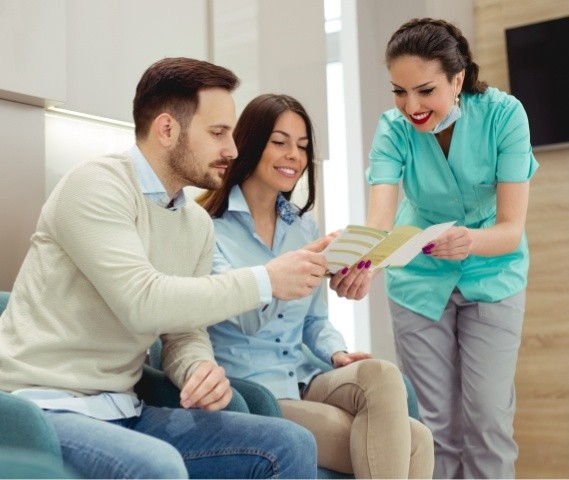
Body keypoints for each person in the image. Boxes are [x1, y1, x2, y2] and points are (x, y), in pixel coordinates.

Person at [0, 57, 330, 479]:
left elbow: (183, 331)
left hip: (125, 408)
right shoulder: (95, 187)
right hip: (43, 408)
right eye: (217, 133)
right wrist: (266, 279)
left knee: (289, 443)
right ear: (167, 129)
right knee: (157, 466)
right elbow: (143, 302)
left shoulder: (193, 223)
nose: (232, 149)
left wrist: (197, 368)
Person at [332, 18, 539, 479]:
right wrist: (364, 264)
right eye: (399, 92)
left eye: (425, 90)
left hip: (493, 273)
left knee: (487, 421)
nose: (411, 106)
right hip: (419, 279)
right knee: (433, 427)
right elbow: (380, 221)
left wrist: (470, 241)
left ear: (458, 78)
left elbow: (510, 228)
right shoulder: (393, 129)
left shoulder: (505, 116)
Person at [198, 93, 435, 479]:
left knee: (383, 376)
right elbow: (244, 319)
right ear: (250, 143)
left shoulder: (302, 226)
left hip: (305, 375)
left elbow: (314, 321)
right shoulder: (207, 228)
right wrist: (290, 269)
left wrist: (337, 353)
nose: (294, 154)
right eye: (280, 142)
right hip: (254, 390)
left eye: (303, 146)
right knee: (416, 443)